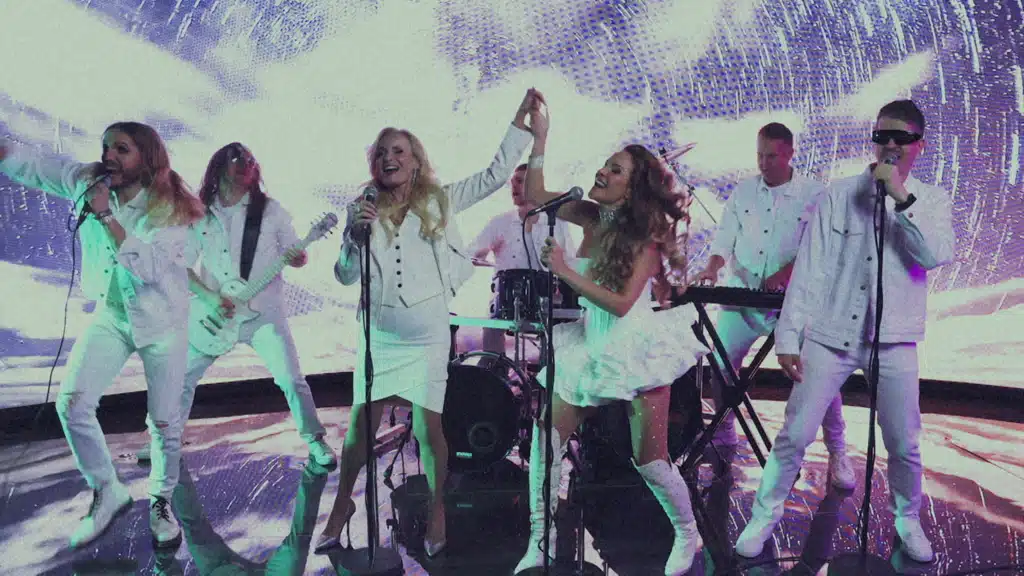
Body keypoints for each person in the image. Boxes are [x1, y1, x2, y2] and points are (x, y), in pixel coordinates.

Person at [317, 89, 539, 558]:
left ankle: (437, 510)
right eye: (382, 152)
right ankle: (340, 507)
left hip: (426, 335)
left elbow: (494, 175)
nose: (390, 158)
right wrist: (353, 236)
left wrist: (521, 125)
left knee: (428, 428)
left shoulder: (440, 200)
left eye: (399, 150)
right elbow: (344, 276)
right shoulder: (363, 209)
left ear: (416, 161)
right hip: (379, 336)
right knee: (359, 429)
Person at [734, 100, 954, 563]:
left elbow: (933, 255)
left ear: (919, 145)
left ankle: (907, 518)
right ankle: (764, 515)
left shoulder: (931, 200)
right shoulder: (838, 195)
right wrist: (788, 336)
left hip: (894, 339)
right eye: (881, 136)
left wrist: (900, 197)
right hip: (830, 334)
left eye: (900, 138)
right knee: (795, 434)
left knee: (904, 442)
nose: (889, 145)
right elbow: (810, 267)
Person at [514, 93, 709, 576]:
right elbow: (536, 194)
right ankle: (540, 541)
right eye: (605, 164)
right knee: (545, 442)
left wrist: (564, 270)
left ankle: (688, 534)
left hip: (636, 346)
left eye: (615, 170)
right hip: (590, 344)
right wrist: (540, 137)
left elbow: (621, 304)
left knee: (650, 461)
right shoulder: (589, 215)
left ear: (632, 189)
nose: (602, 172)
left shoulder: (645, 239)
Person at [0, 122, 205, 548]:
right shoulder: (90, 183)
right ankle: (107, 490)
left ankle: (161, 501)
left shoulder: (172, 209)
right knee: (72, 404)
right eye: (106, 146)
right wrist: (5, 153)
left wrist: (106, 216)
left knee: (163, 422)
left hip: (162, 322)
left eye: (122, 149)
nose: (109, 156)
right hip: (112, 315)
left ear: (147, 157)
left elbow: (148, 269)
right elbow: (40, 168)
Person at [135, 143, 336, 467]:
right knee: (179, 378)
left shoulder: (270, 211)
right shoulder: (199, 214)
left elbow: (296, 253)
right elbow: (179, 265)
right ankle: (161, 440)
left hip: (263, 316)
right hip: (216, 313)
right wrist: (209, 297)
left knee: (290, 378)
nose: (245, 163)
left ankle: (315, 440)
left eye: (250, 159)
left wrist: (299, 257)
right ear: (218, 167)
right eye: (236, 157)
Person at [692, 123, 854, 489]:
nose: (764, 163)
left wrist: (783, 275)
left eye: (772, 156)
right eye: (760, 155)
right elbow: (724, 238)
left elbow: (822, 247)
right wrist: (713, 266)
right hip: (741, 298)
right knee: (721, 364)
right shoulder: (743, 191)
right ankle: (723, 435)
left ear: (790, 154)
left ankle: (837, 451)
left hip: (793, 305)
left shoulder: (815, 194)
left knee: (819, 374)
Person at [470, 163, 576, 353]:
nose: (514, 187)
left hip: (547, 301)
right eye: (512, 182)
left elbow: (571, 261)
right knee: (491, 325)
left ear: (534, 184)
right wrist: (477, 255)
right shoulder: (499, 222)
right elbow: (473, 254)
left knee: (563, 332)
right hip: (507, 301)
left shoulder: (556, 223)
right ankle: (494, 365)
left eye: (519, 181)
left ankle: (550, 364)